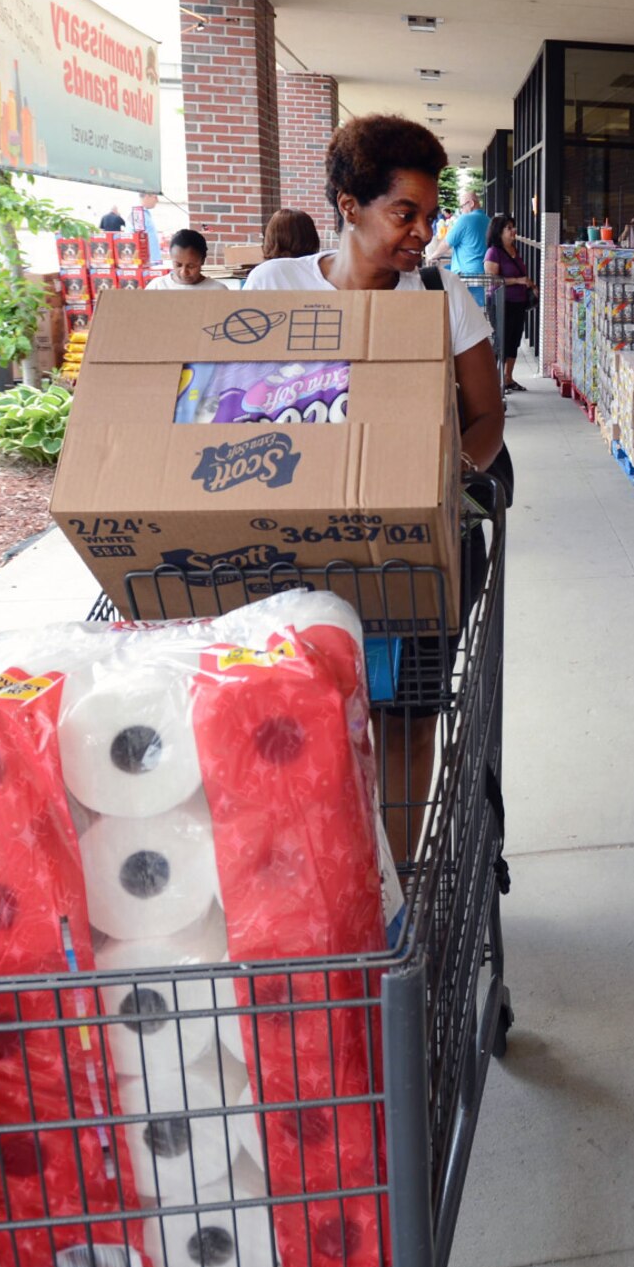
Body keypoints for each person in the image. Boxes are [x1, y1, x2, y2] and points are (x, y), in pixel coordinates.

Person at [243, 114, 508, 860]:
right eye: (405, 213)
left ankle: (395, 883)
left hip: (410, 550)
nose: (423, 232)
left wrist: (446, 468)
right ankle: (316, 868)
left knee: (407, 716)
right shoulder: (276, 288)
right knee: (303, 714)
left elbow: (487, 418)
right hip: (296, 548)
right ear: (347, 205)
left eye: (429, 216)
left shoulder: (440, 297)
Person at [484, 214, 534, 394]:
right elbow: (493, 280)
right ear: (499, 232)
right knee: (501, 341)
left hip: (518, 302)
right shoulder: (493, 252)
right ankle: (493, 381)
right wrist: (518, 280)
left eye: (513, 227)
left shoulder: (515, 250)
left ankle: (508, 378)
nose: (514, 231)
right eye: (509, 228)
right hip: (500, 303)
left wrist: (529, 285)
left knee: (514, 340)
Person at [144, 229, 229, 289]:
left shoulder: (218, 291)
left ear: (202, 260)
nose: (184, 272)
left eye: (191, 266)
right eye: (178, 265)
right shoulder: (157, 287)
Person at [438, 188, 488, 276]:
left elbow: (446, 244)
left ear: (471, 203)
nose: (461, 210)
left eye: (462, 206)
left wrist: (432, 256)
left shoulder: (466, 219)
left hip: (466, 275)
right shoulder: (488, 220)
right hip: (484, 273)